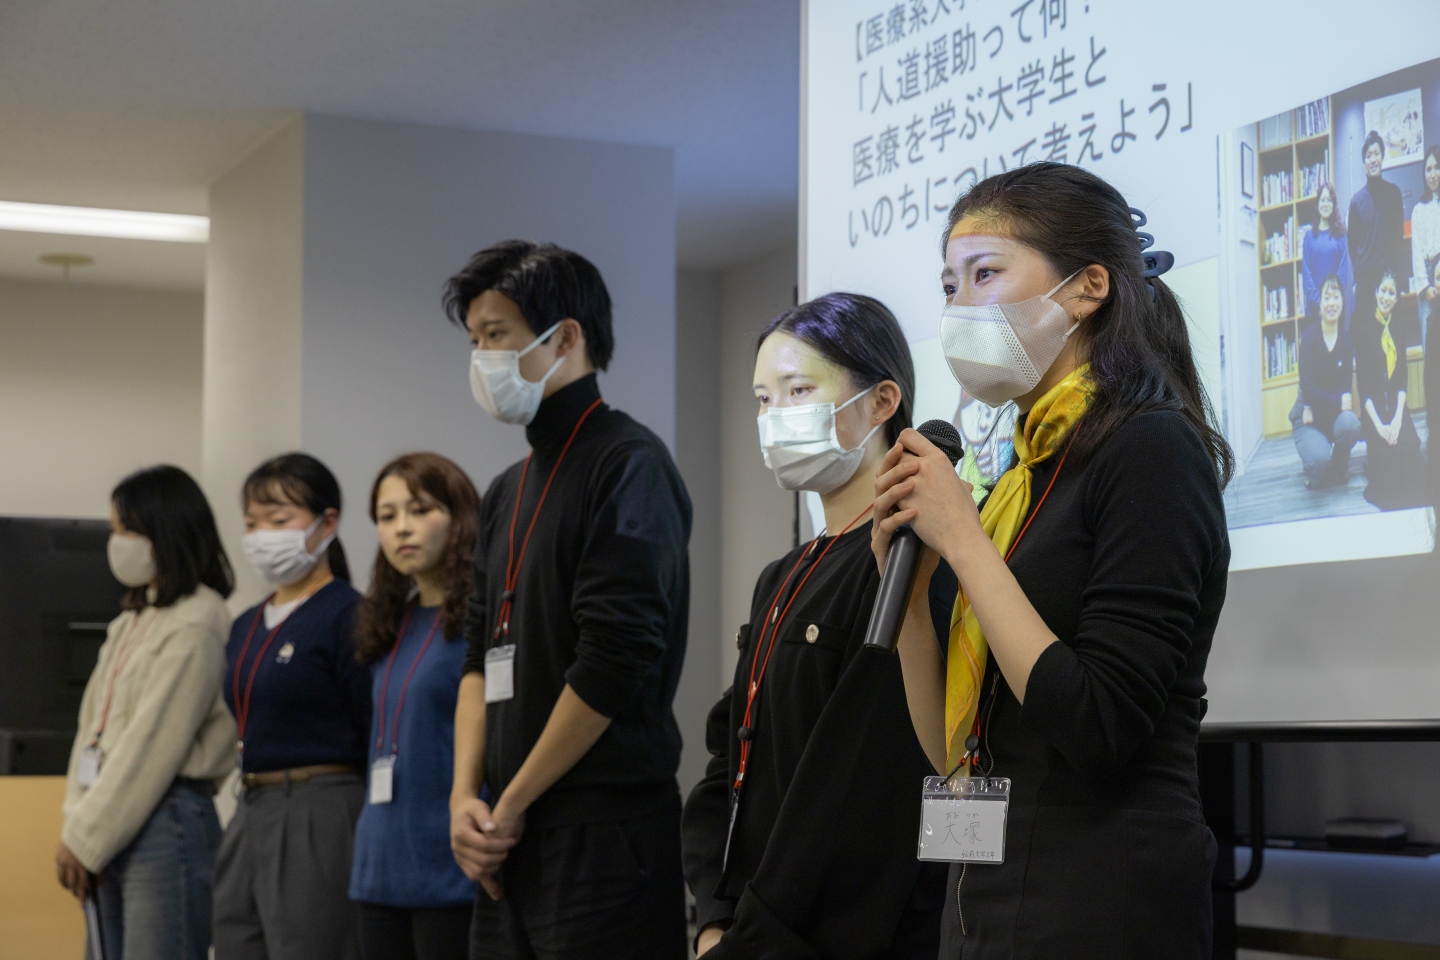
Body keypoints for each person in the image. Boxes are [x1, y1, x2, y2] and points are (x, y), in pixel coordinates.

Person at [874, 162, 1232, 959]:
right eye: (949, 286)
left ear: (1087, 288)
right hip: (989, 890)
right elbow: (953, 754)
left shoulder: (1150, 448)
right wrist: (910, 597)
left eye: (985, 274)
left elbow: (1101, 725)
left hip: (1101, 897)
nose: (960, 306)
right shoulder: (1024, 473)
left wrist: (965, 543)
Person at [682, 293, 951, 958]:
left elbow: (867, 784)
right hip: (748, 926)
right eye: (763, 400)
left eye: (798, 390)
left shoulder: (917, 563)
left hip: (840, 935)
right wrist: (715, 915)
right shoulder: (782, 574)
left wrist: (759, 932)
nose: (774, 419)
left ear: (883, 402)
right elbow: (733, 754)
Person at [443, 241, 692, 960]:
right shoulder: (503, 491)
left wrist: (509, 805)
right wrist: (468, 801)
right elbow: (473, 658)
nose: (482, 356)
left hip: (603, 831)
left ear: (566, 337)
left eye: (497, 335)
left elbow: (614, 659)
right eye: (475, 340)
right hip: (505, 834)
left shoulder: (630, 464)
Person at [57, 465, 236, 960]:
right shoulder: (131, 620)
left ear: (166, 532)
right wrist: (78, 825)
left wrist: (86, 836)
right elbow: (90, 732)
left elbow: (153, 744)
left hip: (166, 821)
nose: (117, 543)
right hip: (111, 821)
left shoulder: (199, 618)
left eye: (127, 530)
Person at [213, 453, 370, 960]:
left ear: (328, 523)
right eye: (253, 524)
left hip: (320, 804)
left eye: (279, 522)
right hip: (251, 802)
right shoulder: (245, 623)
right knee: (236, 940)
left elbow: (374, 727)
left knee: (309, 945)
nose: (263, 536)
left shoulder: (349, 614)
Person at [350, 453, 480, 960]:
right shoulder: (387, 623)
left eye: (420, 510)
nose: (402, 528)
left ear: (460, 517)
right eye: (387, 516)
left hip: (450, 871)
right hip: (377, 868)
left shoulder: (481, 624)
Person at [1354, 270, 1427, 510]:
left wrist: (1397, 419)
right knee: (1388, 457)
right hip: (1374, 411)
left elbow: (1402, 377)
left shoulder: (1400, 325)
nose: (1386, 297)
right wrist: (1380, 426)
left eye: (1391, 293)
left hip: (1395, 406)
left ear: (1397, 298)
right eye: (1383, 291)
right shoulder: (1363, 330)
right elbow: (1363, 387)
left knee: (1410, 452)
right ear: (1376, 293)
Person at [1291, 274, 1360, 489]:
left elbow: (1345, 386)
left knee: (1351, 423)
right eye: (1327, 297)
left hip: (1329, 415)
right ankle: (1315, 466)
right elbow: (1309, 390)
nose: (1332, 303)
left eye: (1336, 297)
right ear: (1319, 304)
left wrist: (1336, 403)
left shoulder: (1346, 339)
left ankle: (1340, 463)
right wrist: (1338, 402)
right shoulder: (1309, 338)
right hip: (1308, 418)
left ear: (1342, 301)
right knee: (1319, 468)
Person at [1348, 130, 1406, 323]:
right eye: (1368, 156)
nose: (1373, 159)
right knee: (1366, 341)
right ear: (1364, 162)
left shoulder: (1394, 193)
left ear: (1382, 157)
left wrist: (1395, 277)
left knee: (1392, 340)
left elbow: (1398, 239)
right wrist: (1362, 273)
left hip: (1388, 281)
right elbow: (1352, 245)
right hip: (1365, 283)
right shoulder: (1356, 201)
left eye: (1376, 154)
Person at [1300, 182, 1354, 327]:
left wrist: (1331, 302)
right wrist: (1320, 303)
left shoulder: (1340, 236)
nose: (1325, 204)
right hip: (1314, 311)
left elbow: (1342, 274)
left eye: (1329, 200)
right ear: (1317, 204)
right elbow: (1307, 275)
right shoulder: (1309, 238)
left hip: (1335, 310)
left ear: (1334, 204)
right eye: (1322, 200)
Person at [1410, 145, 1440, 348]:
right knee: (1430, 346)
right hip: (1428, 280)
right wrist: (1425, 286)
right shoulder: (1418, 211)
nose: (1433, 174)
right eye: (1428, 170)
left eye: (1437, 168)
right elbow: (1417, 253)